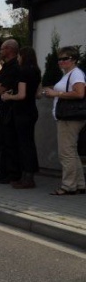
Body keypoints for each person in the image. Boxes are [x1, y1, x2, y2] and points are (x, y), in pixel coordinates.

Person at [41, 46, 86, 195]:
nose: (61, 62)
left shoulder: (75, 74)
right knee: (71, 151)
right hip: (67, 117)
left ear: (74, 60)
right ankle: (80, 184)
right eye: (59, 59)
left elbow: (79, 93)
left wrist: (56, 93)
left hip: (70, 118)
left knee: (66, 153)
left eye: (65, 59)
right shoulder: (69, 74)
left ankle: (68, 186)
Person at [5, 46, 41, 189]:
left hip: (21, 112)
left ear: (23, 56)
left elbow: (21, 95)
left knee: (23, 145)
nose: (18, 58)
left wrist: (8, 96)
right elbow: (38, 94)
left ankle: (27, 178)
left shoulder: (22, 72)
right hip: (32, 110)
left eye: (19, 56)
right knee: (29, 144)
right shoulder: (36, 71)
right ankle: (28, 176)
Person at [0, 40, 22, 184]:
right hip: (3, 107)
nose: (0, 51)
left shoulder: (15, 67)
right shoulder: (5, 67)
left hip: (12, 109)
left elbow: (4, 88)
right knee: (2, 140)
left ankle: (12, 173)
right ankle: (3, 171)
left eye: (2, 49)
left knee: (10, 141)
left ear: (9, 49)